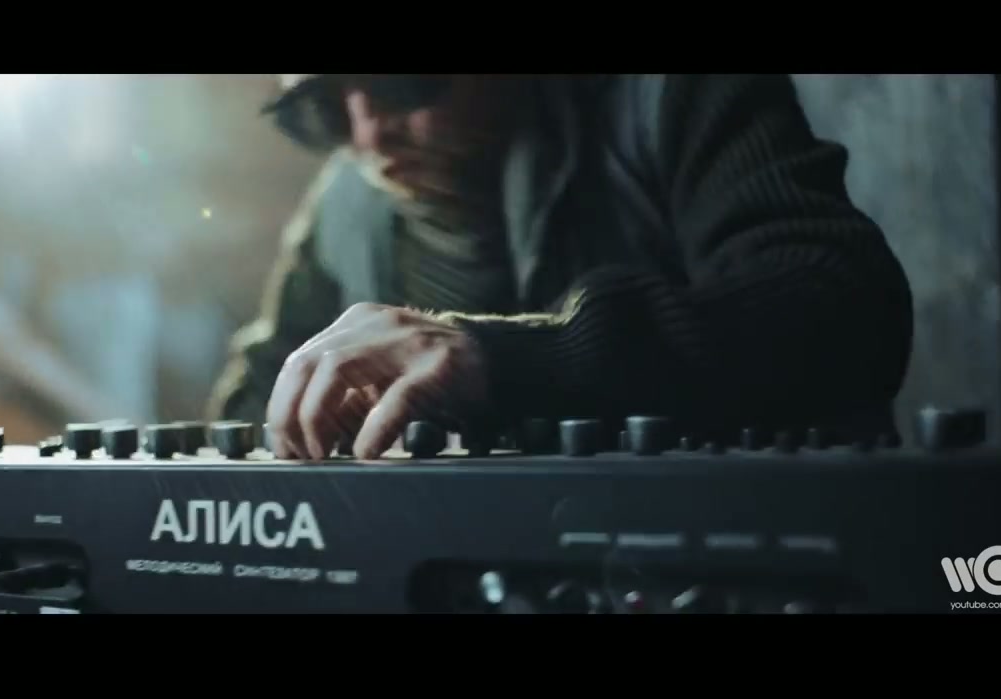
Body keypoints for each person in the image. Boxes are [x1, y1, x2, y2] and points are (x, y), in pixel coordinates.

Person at [206, 74, 914, 461]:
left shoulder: (667, 95)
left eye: (399, 82)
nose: (368, 136)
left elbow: (836, 302)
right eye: (320, 107)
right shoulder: (346, 202)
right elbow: (254, 401)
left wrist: (501, 361)